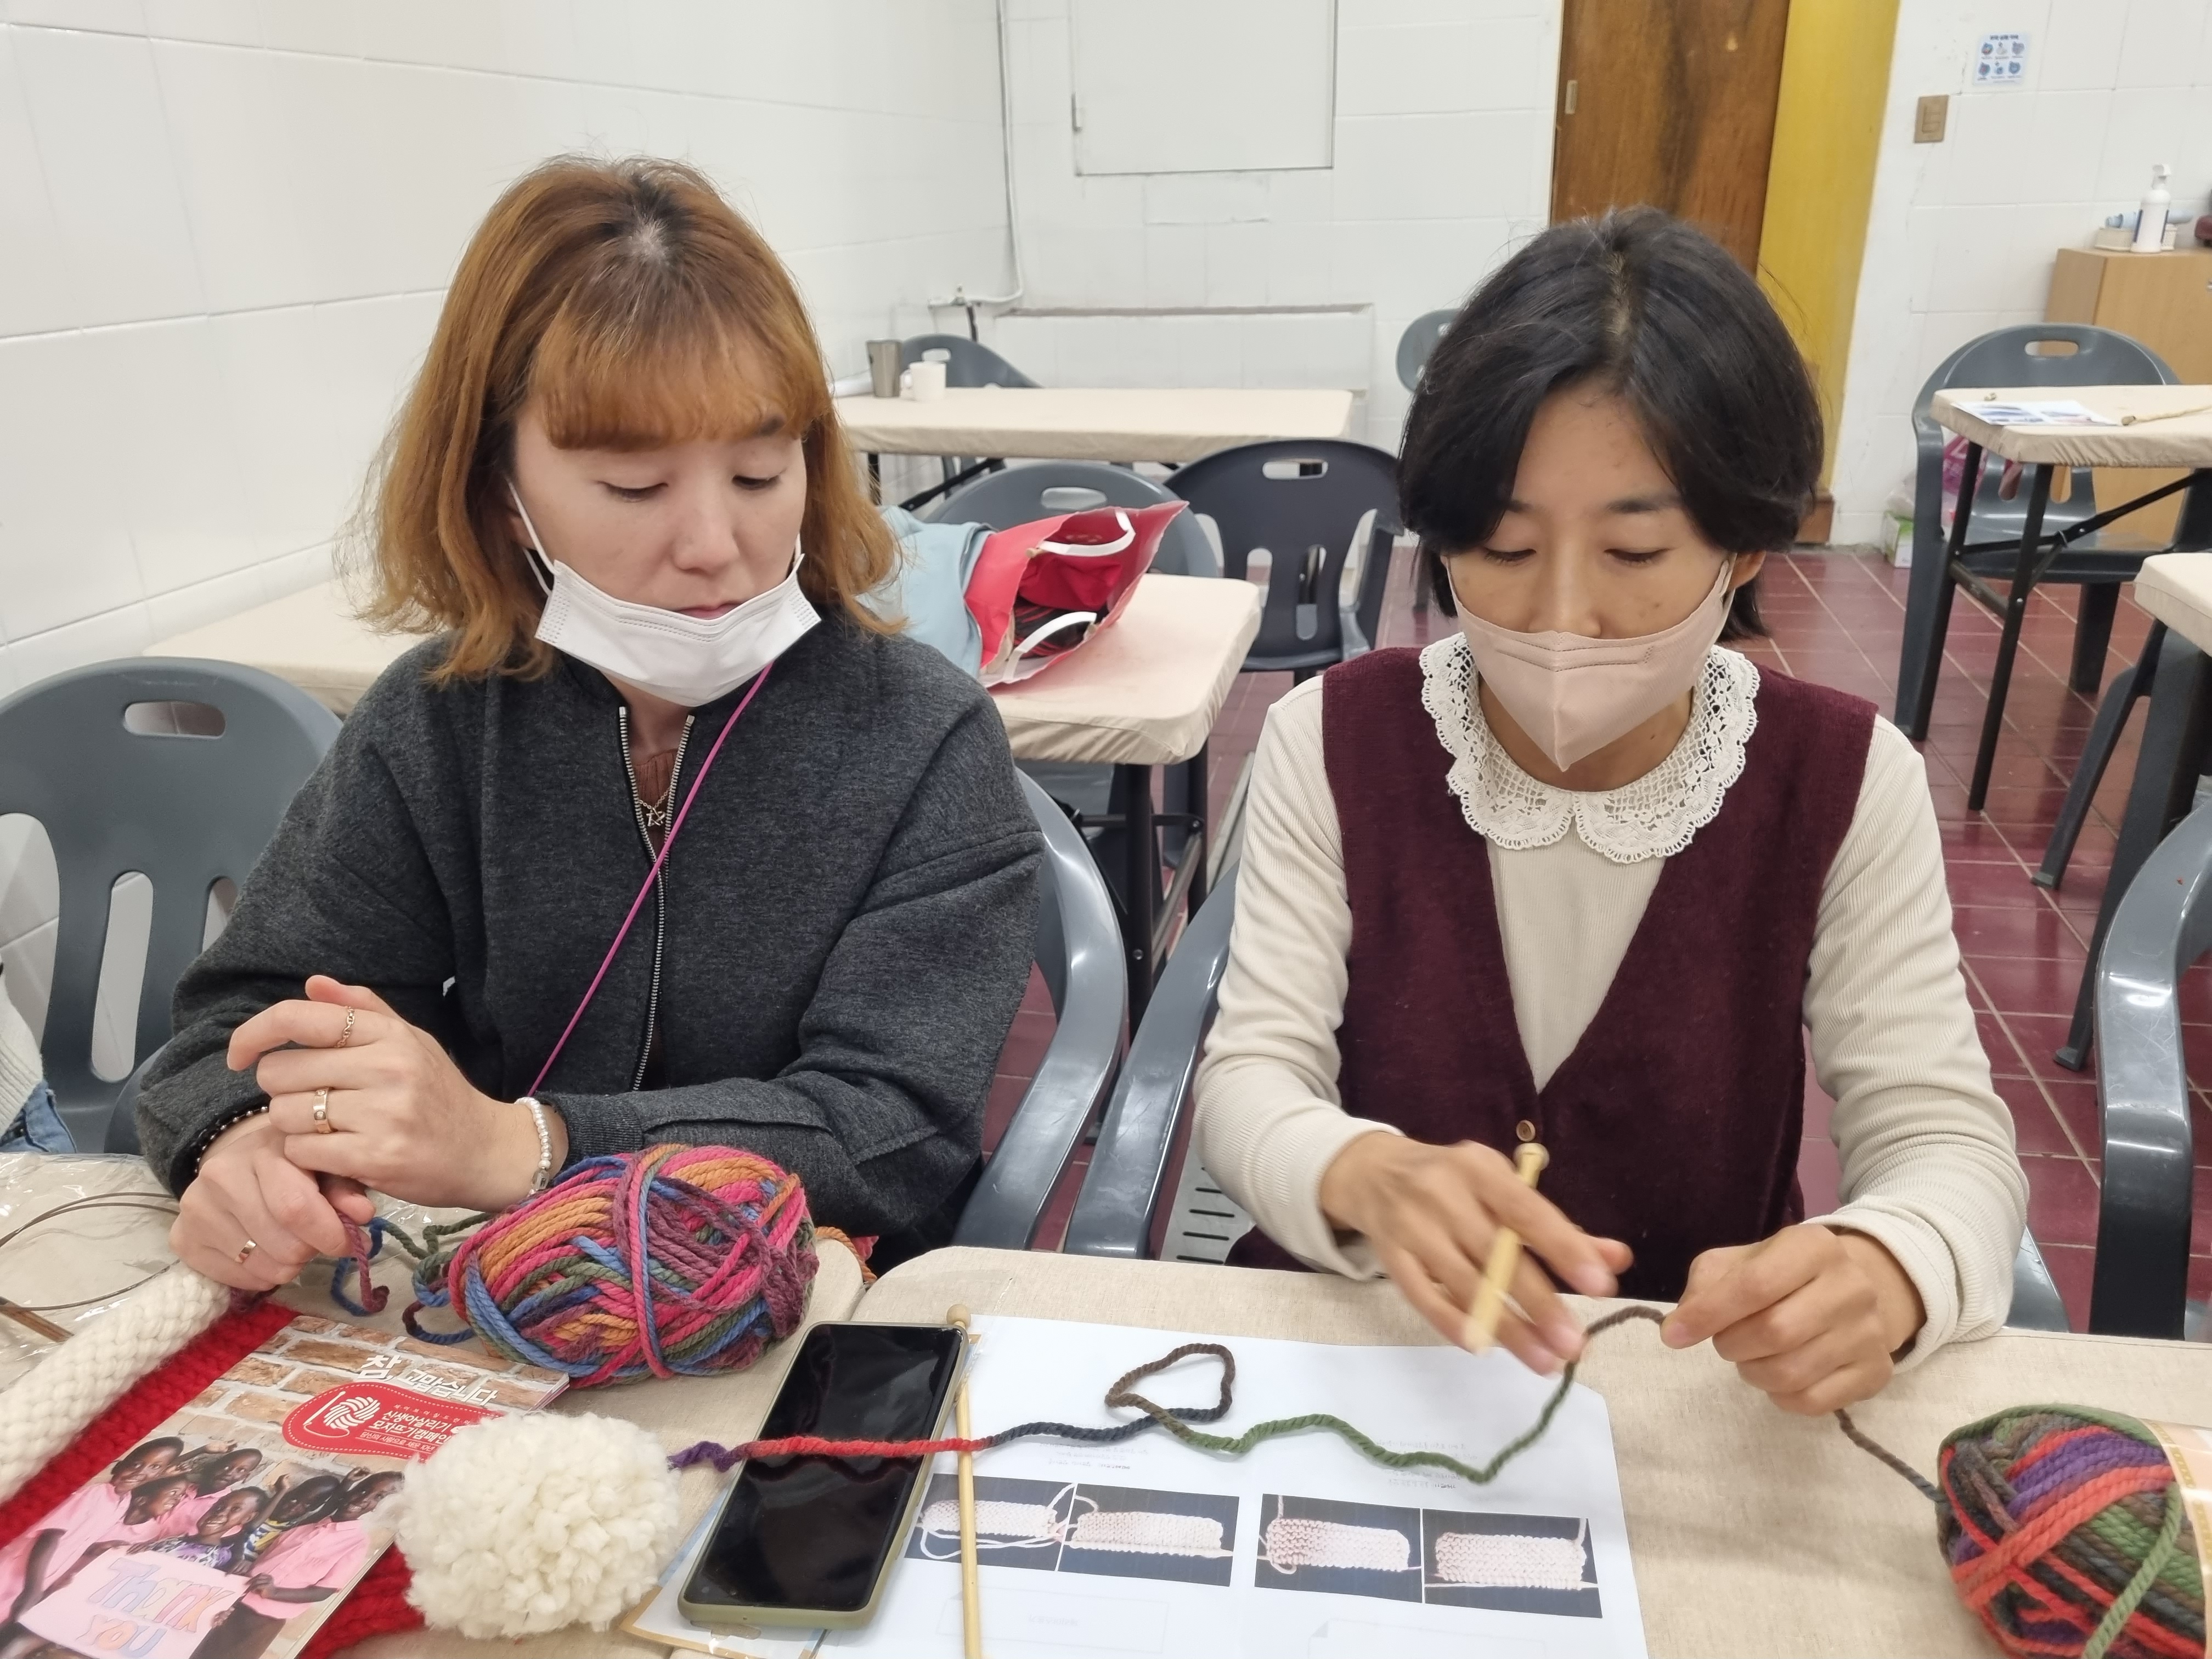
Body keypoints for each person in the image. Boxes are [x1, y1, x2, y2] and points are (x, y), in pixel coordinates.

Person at [136, 156, 1043, 1288]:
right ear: (500, 495)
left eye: (761, 474)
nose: (715, 544)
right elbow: (242, 1019)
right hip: (491, 1290)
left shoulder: (922, 738)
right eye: (635, 488)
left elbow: (889, 1131)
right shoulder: (439, 722)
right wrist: (247, 1142)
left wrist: (525, 1144)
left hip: (804, 1301)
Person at [1194, 208, 2027, 1416]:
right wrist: (1360, 1169)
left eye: (1634, 555)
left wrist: (1892, 1262)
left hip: (1685, 1397)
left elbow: (1945, 1139)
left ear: (1745, 548)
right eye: (1501, 548)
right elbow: (1250, 1079)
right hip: (1365, 1363)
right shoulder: (1333, 738)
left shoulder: (1844, 780)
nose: (1560, 618)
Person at [195, 1475, 400, 1659]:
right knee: (193, 1649)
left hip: (261, 1621)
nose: (363, 1499)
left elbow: (324, 1592)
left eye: (378, 1497)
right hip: (232, 1602)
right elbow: (263, 1556)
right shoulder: (305, 1527)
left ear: (381, 1507)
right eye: (363, 1490)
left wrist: (274, 1592)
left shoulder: (356, 1544)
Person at [0, 1439, 182, 1647]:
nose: (140, 1472)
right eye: (136, 1464)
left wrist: (103, 1546)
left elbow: (79, 1540)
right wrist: (32, 1590)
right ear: (121, 1464)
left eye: (154, 1468)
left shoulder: (122, 1503)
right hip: (18, 1570)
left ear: (160, 1474)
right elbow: (50, 1537)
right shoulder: (96, 1493)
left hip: (40, 1577)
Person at [136, 1489, 269, 1575]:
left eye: (235, 1509)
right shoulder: (178, 1539)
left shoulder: (212, 1558)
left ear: (247, 1518)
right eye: (220, 1505)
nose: (221, 1513)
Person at [156, 1449, 264, 1542]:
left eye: (241, 1471)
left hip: (162, 1552)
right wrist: (203, 1449)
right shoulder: (182, 1487)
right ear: (217, 1464)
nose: (229, 1473)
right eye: (227, 1466)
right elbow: (160, 1473)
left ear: (245, 1477)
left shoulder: (224, 1508)